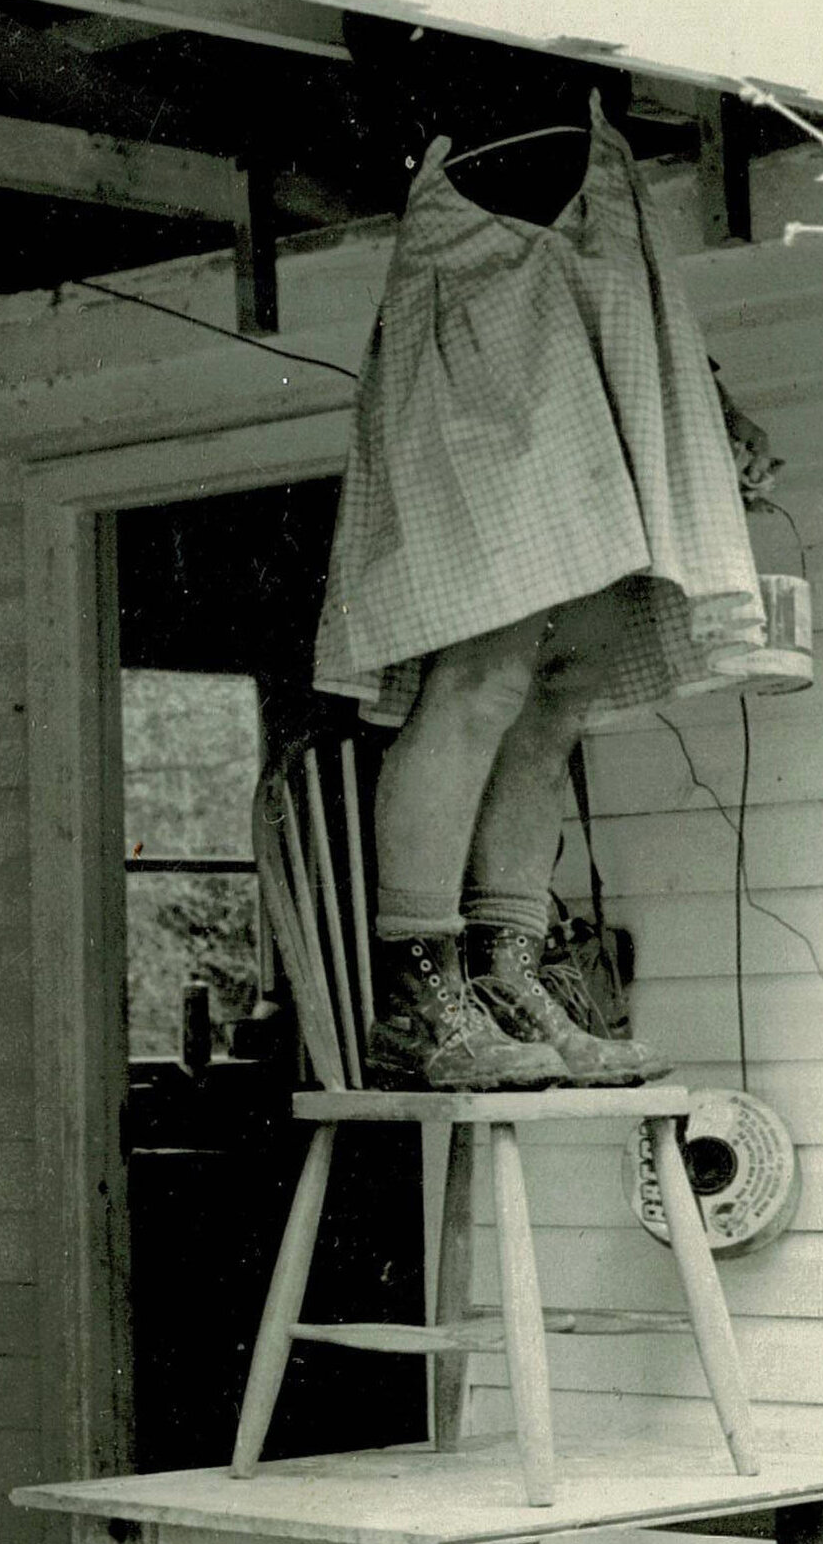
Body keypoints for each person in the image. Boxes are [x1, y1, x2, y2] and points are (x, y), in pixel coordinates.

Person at [313, 89, 779, 1092]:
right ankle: (418, 999)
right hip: (480, 337)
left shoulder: (593, 117)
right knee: (482, 670)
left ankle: (506, 974)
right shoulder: (461, 37)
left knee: (562, 684)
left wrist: (713, 400)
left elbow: (624, 319)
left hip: (582, 331)